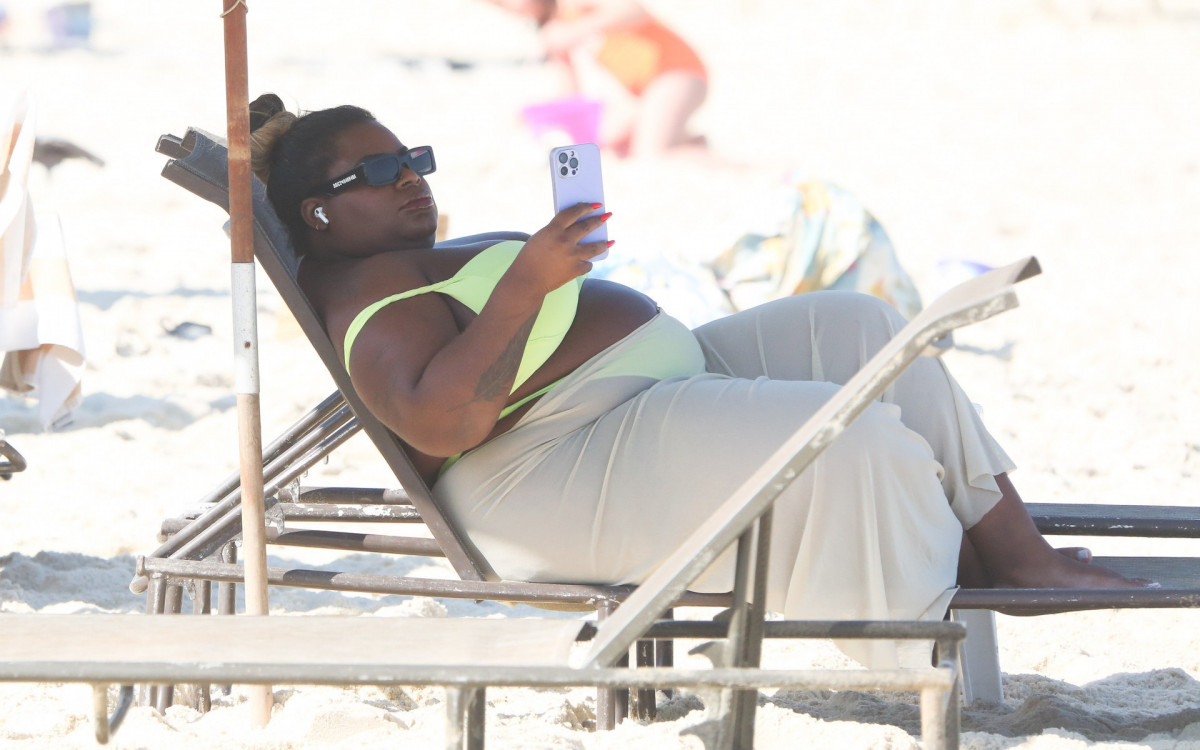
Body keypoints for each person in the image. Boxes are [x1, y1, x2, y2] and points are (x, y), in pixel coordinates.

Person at [248, 94, 1152, 668]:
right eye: (375, 172)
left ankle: (1015, 551)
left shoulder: (399, 256)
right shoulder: (365, 291)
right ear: (318, 213)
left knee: (867, 326)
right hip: (550, 466)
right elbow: (441, 420)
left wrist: (549, 265)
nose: (407, 178)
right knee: (844, 435)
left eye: (414, 160)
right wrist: (530, 277)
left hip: (632, 408)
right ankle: (923, 609)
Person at [487, 0, 708, 158]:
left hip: (673, 71)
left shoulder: (571, 7)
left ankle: (736, 169)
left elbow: (634, 10)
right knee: (616, 144)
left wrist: (575, 30)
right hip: (645, 90)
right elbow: (570, 94)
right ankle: (693, 146)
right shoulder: (555, 29)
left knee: (651, 155)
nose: (512, 9)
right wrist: (540, 119)